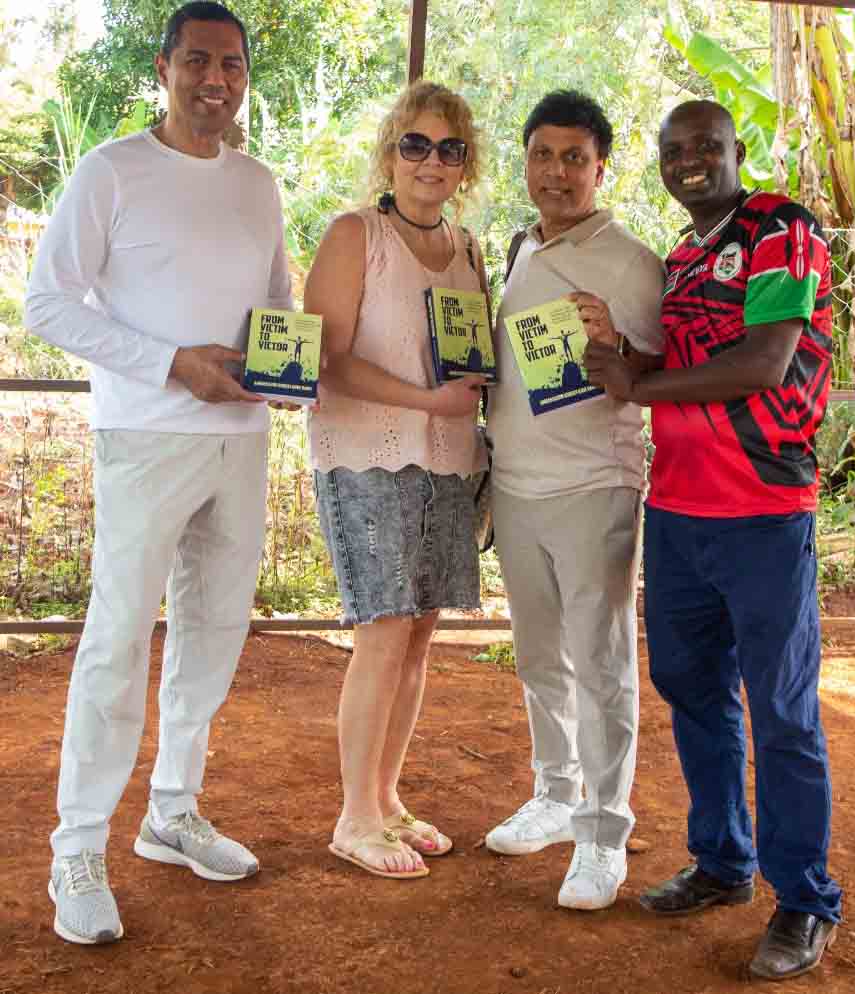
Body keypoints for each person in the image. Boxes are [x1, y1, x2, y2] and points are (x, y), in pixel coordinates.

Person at [24, 1, 294, 944]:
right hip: (144, 436)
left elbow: (276, 305)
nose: (215, 80)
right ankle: (77, 846)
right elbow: (47, 304)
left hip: (242, 439)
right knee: (117, 639)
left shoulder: (257, 183)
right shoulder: (112, 170)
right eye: (198, 61)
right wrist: (175, 364)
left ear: (245, 76)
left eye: (232, 65)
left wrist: (284, 373)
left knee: (214, 628)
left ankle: (172, 811)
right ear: (164, 67)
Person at [584, 99, 842, 979]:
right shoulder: (686, 255)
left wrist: (635, 387)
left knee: (781, 710)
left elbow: (763, 361)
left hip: (763, 511)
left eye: (707, 146)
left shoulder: (779, 228)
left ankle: (803, 898)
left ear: (737, 151)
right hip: (679, 512)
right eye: (674, 149)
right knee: (693, 690)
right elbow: (689, 363)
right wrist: (625, 359)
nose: (689, 159)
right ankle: (724, 862)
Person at [482, 90, 665, 910]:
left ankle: (603, 832)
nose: (556, 172)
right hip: (518, 487)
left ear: (601, 168)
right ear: (526, 161)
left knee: (600, 663)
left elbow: (663, 371)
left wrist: (616, 343)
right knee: (538, 658)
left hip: (595, 487)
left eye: (574, 159)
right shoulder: (522, 246)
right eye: (542, 155)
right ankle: (556, 795)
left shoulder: (631, 262)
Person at [303, 81, 487, 879]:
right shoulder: (356, 235)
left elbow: (475, 359)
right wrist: (427, 400)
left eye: (449, 148)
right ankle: (353, 817)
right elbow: (328, 360)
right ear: (390, 153)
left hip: (449, 460)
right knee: (382, 635)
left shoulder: (468, 248)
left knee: (418, 638)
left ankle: (385, 800)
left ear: (466, 163)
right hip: (366, 455)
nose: (430, 161)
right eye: (415, 144)